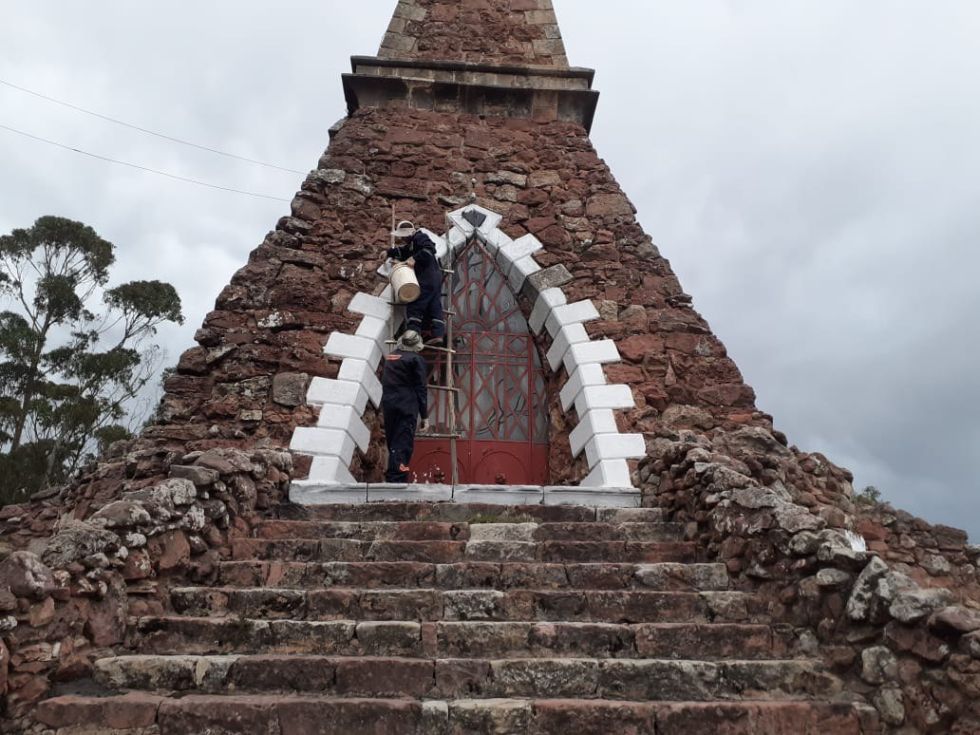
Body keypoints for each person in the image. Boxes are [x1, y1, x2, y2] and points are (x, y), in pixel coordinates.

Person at [381, 329, 430, 483]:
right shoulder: (416, 360)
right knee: (403, 442)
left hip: (389, 404)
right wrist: (425, 416)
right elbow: (421, 388)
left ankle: (392, 475)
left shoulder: (391, 356)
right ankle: (397, 479)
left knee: (393, 441)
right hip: (406, 405)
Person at [387, 221, 445, 345]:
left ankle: (413, 335)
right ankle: (438, 334)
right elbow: (403, 251)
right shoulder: (412, 244)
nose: (402, 239)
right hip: (435, 279)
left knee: (415, 305)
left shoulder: (420, 237)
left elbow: (430, 249)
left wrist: (414, 258)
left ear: (408, 234)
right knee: (434, 306)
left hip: (426, 278)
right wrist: (388, 252)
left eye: (403, 236)